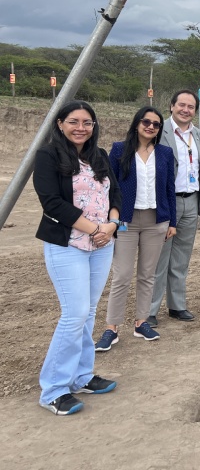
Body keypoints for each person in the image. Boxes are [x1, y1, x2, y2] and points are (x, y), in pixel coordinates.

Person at [33, 101, 121, 415]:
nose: (81, 127)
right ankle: (54, 389)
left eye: (87, 122)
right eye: (74, 121)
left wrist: (110, 226)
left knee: (89, 311)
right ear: (60, 124)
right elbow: (52, 203)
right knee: (75, 313)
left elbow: (116, 194)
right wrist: (96, 228)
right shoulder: (47, 157)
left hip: (102, 244)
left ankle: (82, 376)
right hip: (67, 244)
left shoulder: (100, 157)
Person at [95, 107, 177, 352]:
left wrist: (171, 222)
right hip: (125, 221)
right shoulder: (120, 149)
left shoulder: (165, 152)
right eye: (146, 121)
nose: (151, 126)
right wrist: (112, 218)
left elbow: (169, 189)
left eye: (156, 124)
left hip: (156, 220)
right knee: (121, 275)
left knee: (147, 274)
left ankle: (141, 322)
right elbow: (110, 186)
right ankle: (111, 327)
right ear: (137, 123)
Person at [148, 90, 200, 326]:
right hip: (165, 202)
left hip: (191, 200)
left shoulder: (198, 134)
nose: (186, 110)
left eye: (191, 107)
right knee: (158, 258)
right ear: (171, 106)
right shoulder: (158, 131)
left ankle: (177, 306)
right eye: (182, 105)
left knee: (181, 258)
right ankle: (149, 310)